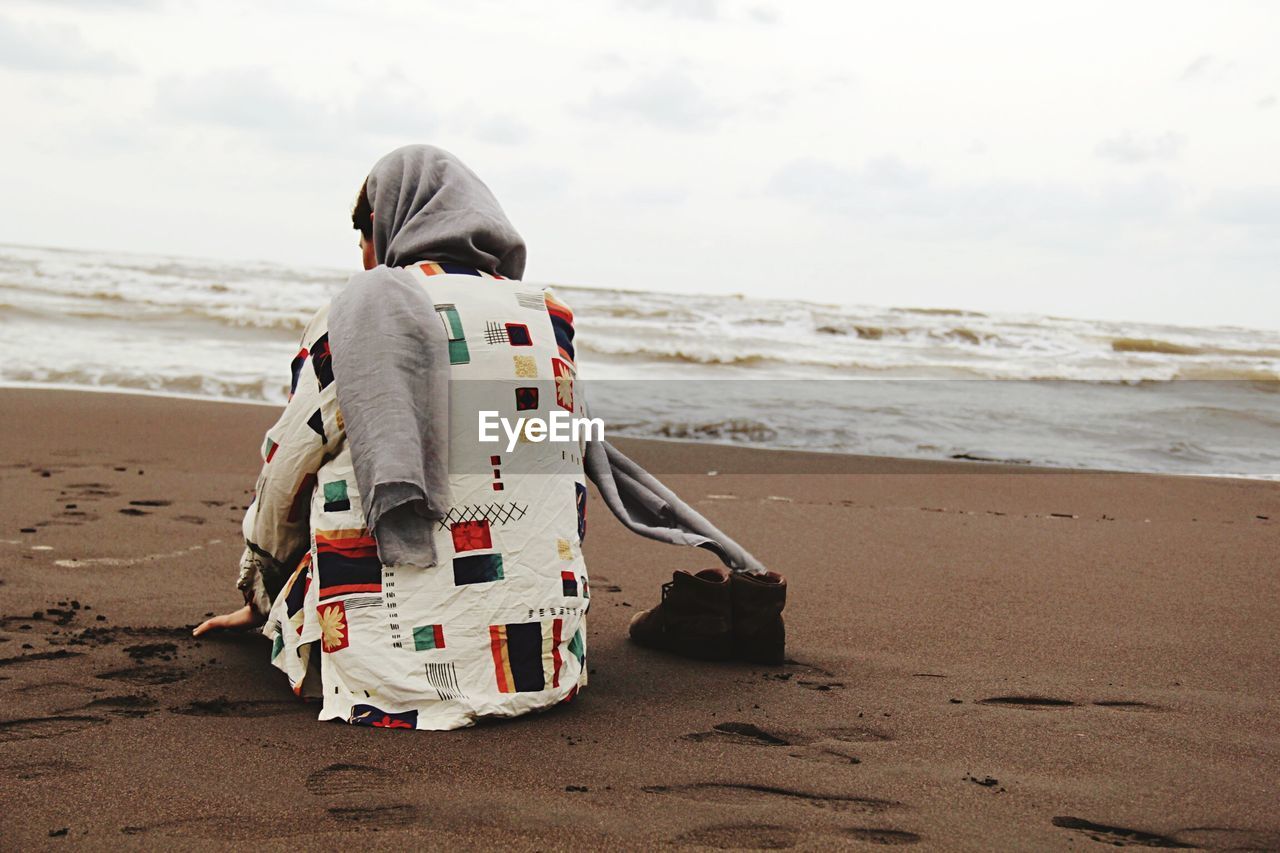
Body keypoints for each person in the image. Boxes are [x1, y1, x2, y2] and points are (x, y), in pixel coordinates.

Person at [195, 144, 784, 731]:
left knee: (322, 507)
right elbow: (564, 476)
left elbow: (286, 471)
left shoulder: (361, 313)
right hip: (546, 669)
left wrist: (260, 587)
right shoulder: (549, 317)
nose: (369, 260)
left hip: (386, 684)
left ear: (386, 222)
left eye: (364, 241)